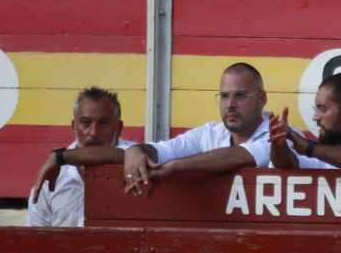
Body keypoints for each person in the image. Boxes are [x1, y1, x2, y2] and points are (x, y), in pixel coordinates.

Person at [35, 64, 271, 197]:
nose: (230, 104)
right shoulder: (209, 134)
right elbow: (156, 151)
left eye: (240, 95)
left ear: (262, 99)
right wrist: (137, 150)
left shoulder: (280, 134)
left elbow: (241, 155)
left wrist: (173, 167)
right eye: (224, 96)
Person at [25, 86, 133, 227]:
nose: (93, 133)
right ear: (73, 127)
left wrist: (59, 158)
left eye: (104, 123)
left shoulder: (137, 162)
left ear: (118, 129)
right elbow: (35, 238)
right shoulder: (51, 178)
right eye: (86, 123)